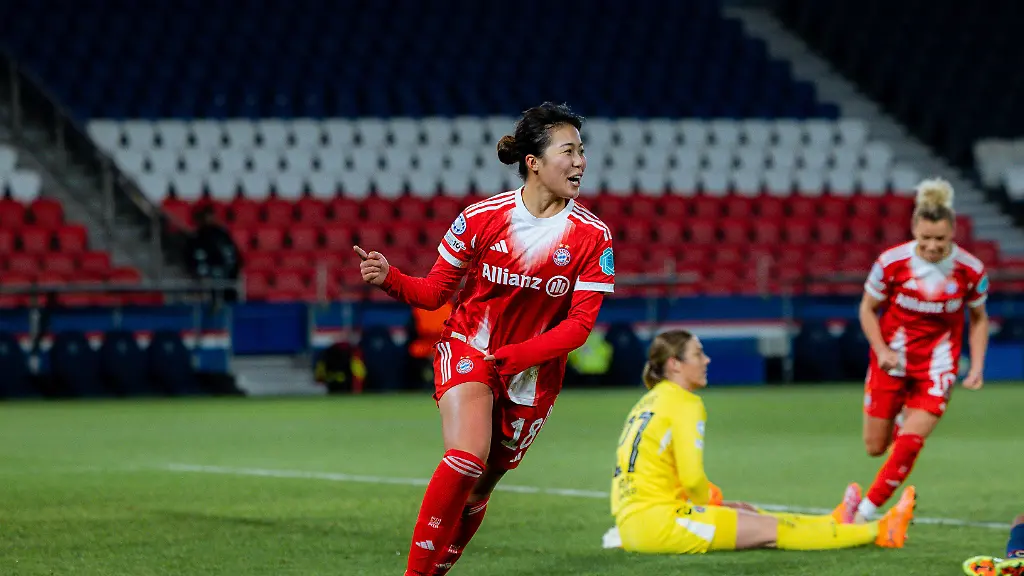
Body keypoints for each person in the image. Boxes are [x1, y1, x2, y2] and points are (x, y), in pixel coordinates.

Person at [354, 102, 614, 576]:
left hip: (531, 375)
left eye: (582, 152)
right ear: (533, 162)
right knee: (466, 457)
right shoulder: (482, 216)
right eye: (569, 151)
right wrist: (391, 276)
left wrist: (517, 357)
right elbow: (434, 293)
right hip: (470, 348)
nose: (580, 162)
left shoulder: (593, 237)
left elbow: (578, 328)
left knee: (480, 489)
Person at [605, 329, 915, 555]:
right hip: (659, 525)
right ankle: (878, 530)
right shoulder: (685, 403)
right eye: (698, 354)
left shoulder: (647, 402)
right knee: (772, 531)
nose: (707, 360)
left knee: (752, 515)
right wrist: (710, 502)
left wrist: (712, 505)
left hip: (641, 521)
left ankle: (834, 522)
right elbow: (693, 479)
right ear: (675, 364)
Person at [855, 177, 990, 521]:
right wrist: (882, 350)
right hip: (892, 361)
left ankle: (863, 514)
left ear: (953, 234)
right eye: (925, 238)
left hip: (938, 366)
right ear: (914, 229)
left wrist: (976, 367)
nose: (932, 246)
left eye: (940, 239)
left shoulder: (970, 270)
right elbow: (867, 309)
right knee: (875, 447)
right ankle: (900, 424)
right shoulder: (891, 263)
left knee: (910, 442)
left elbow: (978, 319)